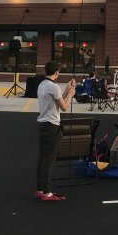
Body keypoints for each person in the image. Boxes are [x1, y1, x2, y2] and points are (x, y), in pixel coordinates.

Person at [35, 60, 76, 202]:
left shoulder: (43, 85)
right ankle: (47, 193)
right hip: (51, 126)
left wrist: (67, 89)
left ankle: (40, 189)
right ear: (57, 72)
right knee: (49, 159)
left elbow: (58, 99)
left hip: (42, 124)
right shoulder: (54, 87)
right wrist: (71, 94)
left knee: (42, 158)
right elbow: (64, 107)